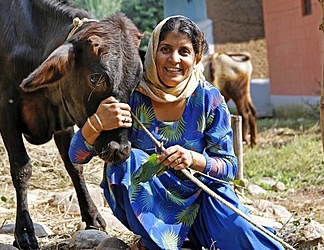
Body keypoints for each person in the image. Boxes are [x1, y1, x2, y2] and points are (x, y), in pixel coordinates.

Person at [68, 15, 284, 250]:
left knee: (248, 238)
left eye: (184, 51)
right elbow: (76, 157)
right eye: (165, 49)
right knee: (125, 162)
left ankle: (188, 238)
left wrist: (193, 159)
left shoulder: (208, 99)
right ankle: (157, 240)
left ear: (196, 57)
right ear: (152, 52)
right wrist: (97, 122)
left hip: (203, 200)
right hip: (153, 207)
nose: (174, 59)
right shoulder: (133, 96)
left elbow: (229, 168)